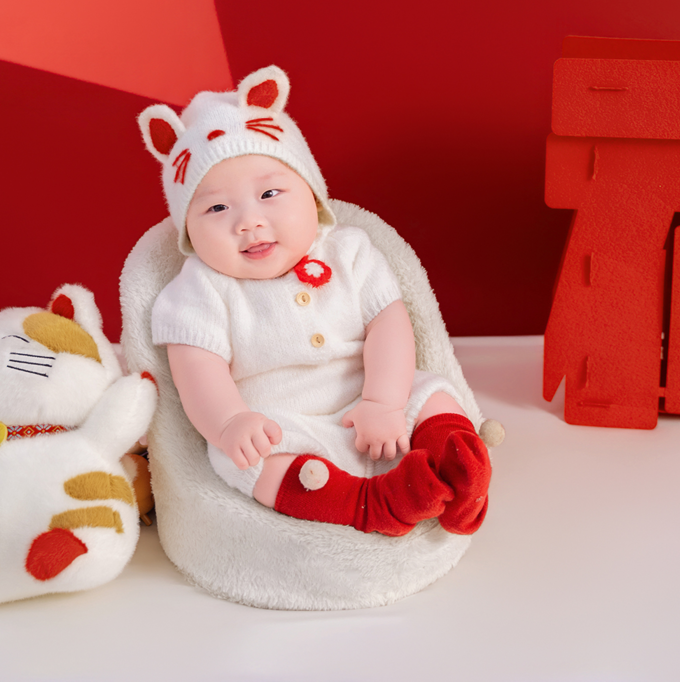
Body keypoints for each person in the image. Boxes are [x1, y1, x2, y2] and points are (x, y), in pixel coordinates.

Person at [137, 66, 490, 536]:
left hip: (368, 393)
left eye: (270, 193)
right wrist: (230, 421)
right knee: (243, 462)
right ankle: (368, 504)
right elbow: (197, 370)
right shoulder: (198, 290)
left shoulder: (349, 251)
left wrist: (384, 402)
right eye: (217, 208)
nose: (248, 222)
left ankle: (459, 473)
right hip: (280, 422)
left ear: (313, 196)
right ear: (188, 231)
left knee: (433, 394)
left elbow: (389, 324)